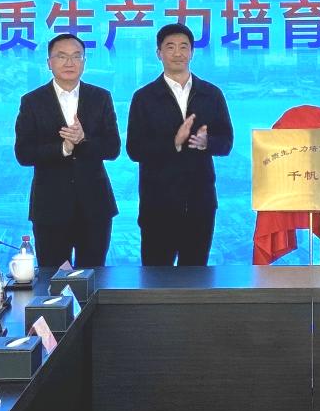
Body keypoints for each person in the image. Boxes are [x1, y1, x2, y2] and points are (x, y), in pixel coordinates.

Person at [126, 23, 233, 266]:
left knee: (195, 275)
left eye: (184, 47)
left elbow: (226, 142)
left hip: (200, 203)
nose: (177, 53)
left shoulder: (211, 94)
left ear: (192, 52)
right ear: (159, 53)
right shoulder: (144, 97)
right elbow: (134, 149)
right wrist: (173, 143)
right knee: (155, 276)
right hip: (158, 204)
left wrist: (207, 143)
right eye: (170, 47)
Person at [14, 34, 121, 267]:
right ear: (49, 62)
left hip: (95, 207)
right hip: (50, 208)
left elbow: (113, 148)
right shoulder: (32, 101)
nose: (69, 62)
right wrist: (62, 148)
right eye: (61, 56)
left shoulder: (100, 97)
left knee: (94, 278)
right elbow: (24, 153)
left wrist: (83, 140)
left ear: (84, 62)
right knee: (53, 279)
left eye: (76, 56)